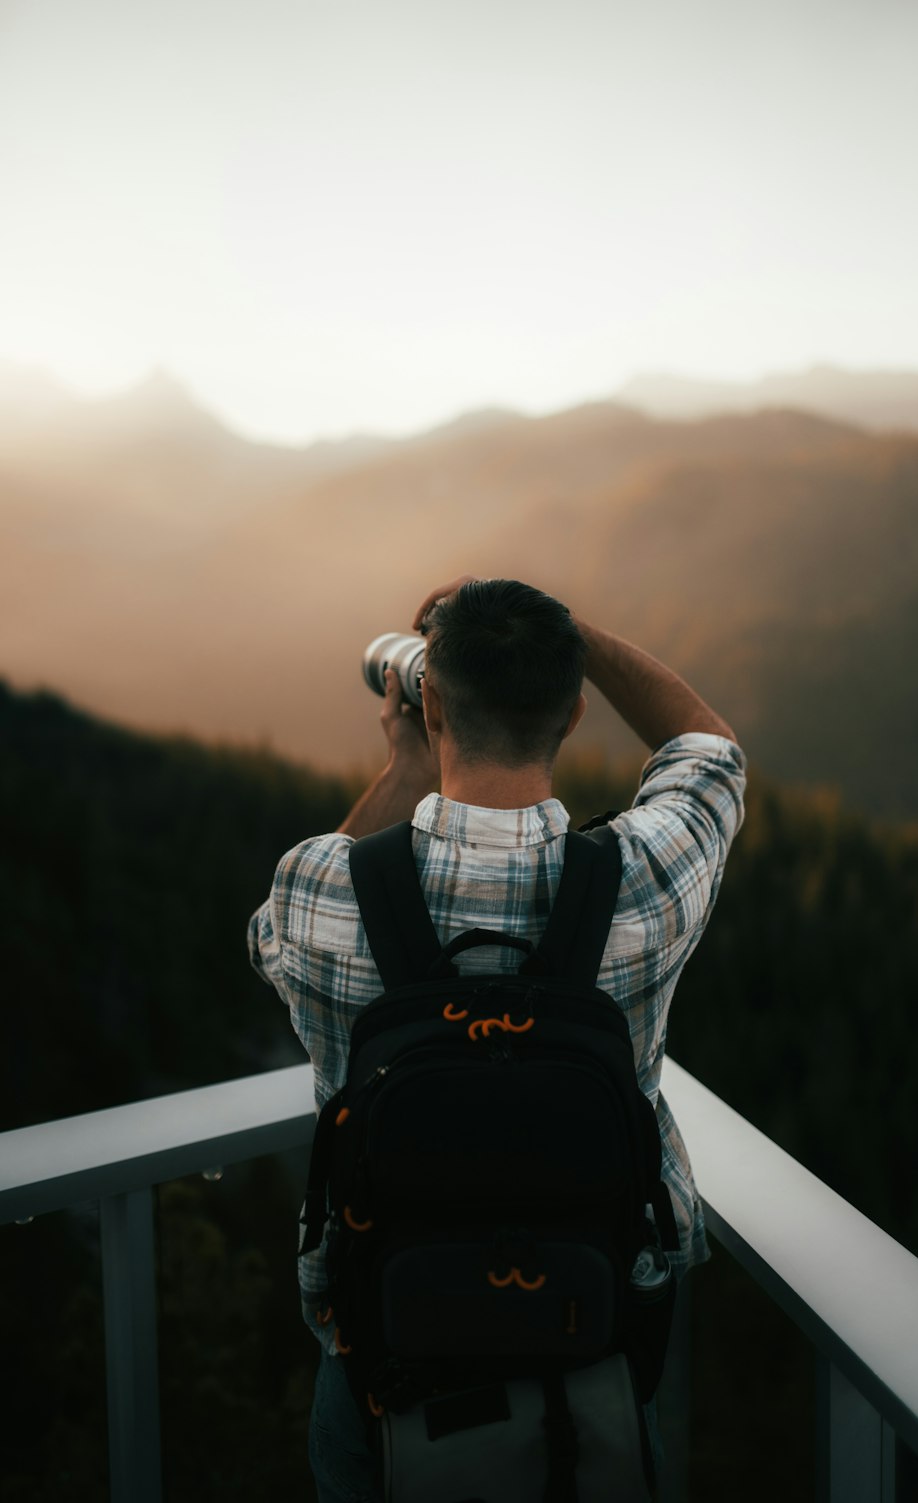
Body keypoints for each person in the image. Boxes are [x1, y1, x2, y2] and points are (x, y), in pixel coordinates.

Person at [248, 575, 746, 1503]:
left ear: (429, 698)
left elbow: (269, 942)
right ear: (574, 712)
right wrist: (570, 632)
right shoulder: (645, 881)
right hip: (593, 1357)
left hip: (385, 1377)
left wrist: (402, 769)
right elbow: (710, 747)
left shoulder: (318, 890)